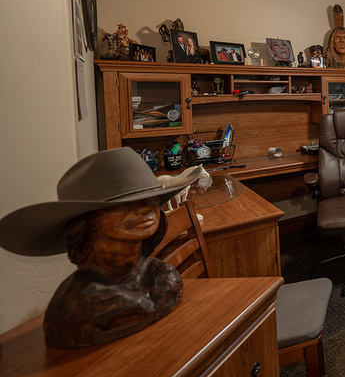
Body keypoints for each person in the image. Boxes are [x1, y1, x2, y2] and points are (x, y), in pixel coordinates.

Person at [0, 148, 199, 348]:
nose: (144, 210)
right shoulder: (78, 306)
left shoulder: (163, 276)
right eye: (126, 204)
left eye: (151, 199)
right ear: (89, 220)